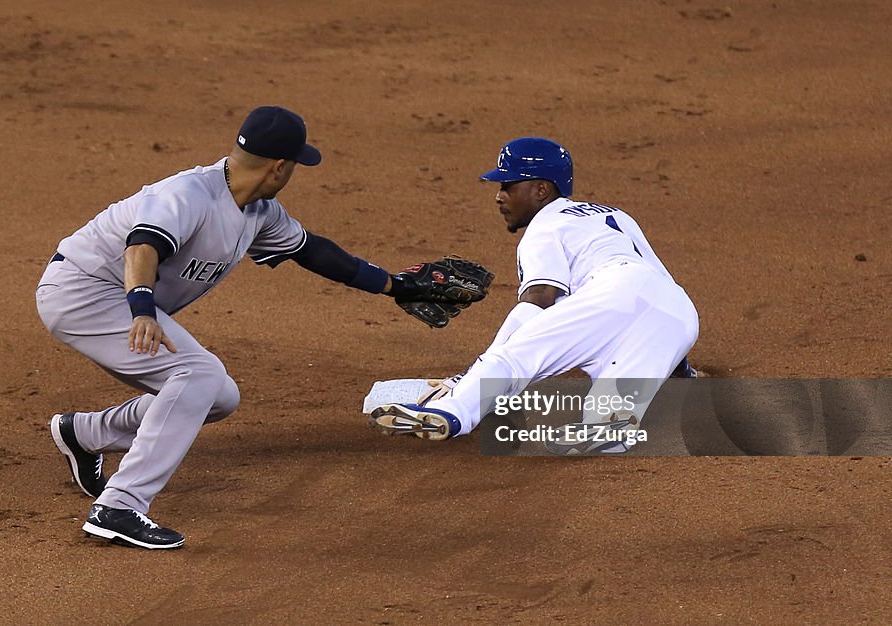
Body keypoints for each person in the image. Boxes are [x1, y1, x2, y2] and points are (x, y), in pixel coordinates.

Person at [37, 106, 442, 549]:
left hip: (120, 299)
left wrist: (393, 285)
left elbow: (313, 252)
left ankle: (86, 433)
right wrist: (142, 310)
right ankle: (120, 506)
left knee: (219, 396)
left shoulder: (259, 210)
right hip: (85, 291)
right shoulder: (188, 194)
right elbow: (142, 246)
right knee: (199, 374)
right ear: (280, 166)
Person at [369, 137, 700, 453]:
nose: (499, 197)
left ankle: (453, 412)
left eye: (508, 186)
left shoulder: (545, 226)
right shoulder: (615, 215)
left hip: (614, 295)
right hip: (679, 313)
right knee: (609, 413)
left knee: (517, 357)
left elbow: (538, 301)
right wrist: (680, 367)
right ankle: (610, 428)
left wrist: (477, 373)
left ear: (541, 189)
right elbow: (655, 298)